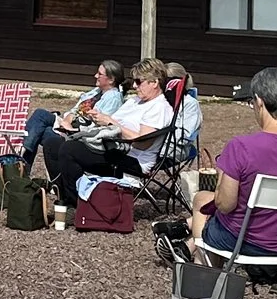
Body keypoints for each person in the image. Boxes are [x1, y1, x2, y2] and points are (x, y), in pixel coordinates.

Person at [188, 66, 277, 260]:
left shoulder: (241, 146)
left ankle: (206, 273)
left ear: (259, 101)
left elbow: (225, 205)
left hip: (241, 240)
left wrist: (220, 184)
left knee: (201, 199)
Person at [42, 59, 179, 203]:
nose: (134, 85)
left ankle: (74, 204)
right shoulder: (135, 101)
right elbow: (111, 123)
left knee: (70, 150)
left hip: (132, 160)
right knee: (53, 143)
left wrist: (111, 123)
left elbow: (142, 142)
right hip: (112, 148)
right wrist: (98, 119)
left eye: (138, 81)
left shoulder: (159, 108)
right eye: (134, 81)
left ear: (154, 82)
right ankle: (63, 193)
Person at [21, 60, 128, 173]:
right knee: (40, 115)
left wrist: (72, 129)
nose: (95, 76)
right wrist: (67, 120)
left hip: (79, 135)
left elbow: (101, 129)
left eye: (100, 74)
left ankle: (21, 164)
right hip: (69, 127)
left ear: (111, 79)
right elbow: (75, 110)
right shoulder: (97, 91)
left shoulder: (113, 98)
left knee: (43, 132)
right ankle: (22, 161)